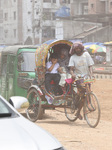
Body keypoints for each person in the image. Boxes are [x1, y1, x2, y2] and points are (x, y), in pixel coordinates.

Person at [69, 42, 94, 120]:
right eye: (76, 49)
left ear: (81, 48)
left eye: (78, 48)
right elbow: (71, 69)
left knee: (86, 94)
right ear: (74, 50)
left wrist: (91, 74)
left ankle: (79, 111)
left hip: (87, 76)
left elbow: (90, 66)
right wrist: (72, 74)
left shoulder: (86, 55)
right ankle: (76, 103)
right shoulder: (73, 57)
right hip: (78, 77)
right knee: (82, 94)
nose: (77, 50)